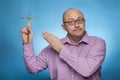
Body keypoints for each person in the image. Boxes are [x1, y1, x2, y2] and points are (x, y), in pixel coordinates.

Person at [21, 8, 106, 80]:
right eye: (71, 22)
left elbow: (87, 70)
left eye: (79, 20)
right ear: (64, 27)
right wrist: (27, 43)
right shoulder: (52, 47)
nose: (77, 25)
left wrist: (60, 48)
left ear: (84, 22)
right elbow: (33, 68)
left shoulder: (98, 43)